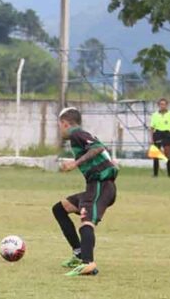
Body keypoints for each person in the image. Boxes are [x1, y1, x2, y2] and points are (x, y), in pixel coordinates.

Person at [52, 108, 118, 276]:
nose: (60, 129)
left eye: (60, 125)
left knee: (87, 220)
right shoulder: (78, 135)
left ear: (65, 123)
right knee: (60, 208)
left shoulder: (76, 134)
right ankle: (78, 253)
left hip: (100, 185)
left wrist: (75, 164)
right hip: (95, 186)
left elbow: (97, 147)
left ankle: (88, 263)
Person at [149, 98, 170, 177]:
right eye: (161, 104)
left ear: (166, 105)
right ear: (158, 105)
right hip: (157, 134)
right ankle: (155, 174)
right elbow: (151, 128)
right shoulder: (155, 115)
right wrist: (151, 139)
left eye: (164, 104)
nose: (162, 106)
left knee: (167, 154)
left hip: (166, 134)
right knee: (156, 155)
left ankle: (169, 174)